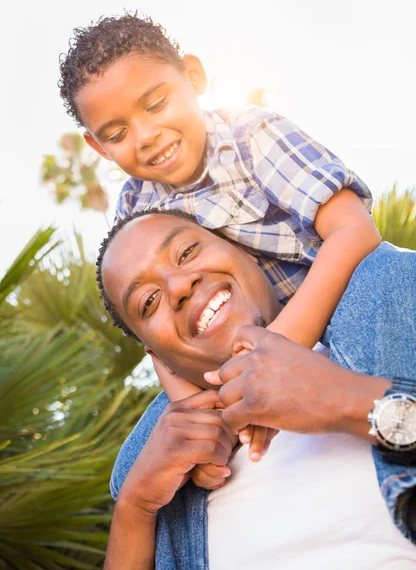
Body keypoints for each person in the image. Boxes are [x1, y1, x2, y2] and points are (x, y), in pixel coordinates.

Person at [59, 14, 381, 455]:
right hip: (239, 359)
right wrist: (207, 418)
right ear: (98, 147)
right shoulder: (135, 211)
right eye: (117, 133)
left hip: (342, 307)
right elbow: (157, 342)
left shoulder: (251, 135)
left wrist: (271, 358)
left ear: (193, 77)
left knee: (388, 276)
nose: (147, 136)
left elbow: (354, 231)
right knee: (142, 451)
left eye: (155, 105)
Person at [97, 210, 416, 569]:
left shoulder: (393, 297)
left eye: (186, 252)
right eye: (148, 302)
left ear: (247, 251)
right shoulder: (163, 479)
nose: (179, 286)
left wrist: (342, 399)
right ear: (160, 360)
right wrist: (134, 508)